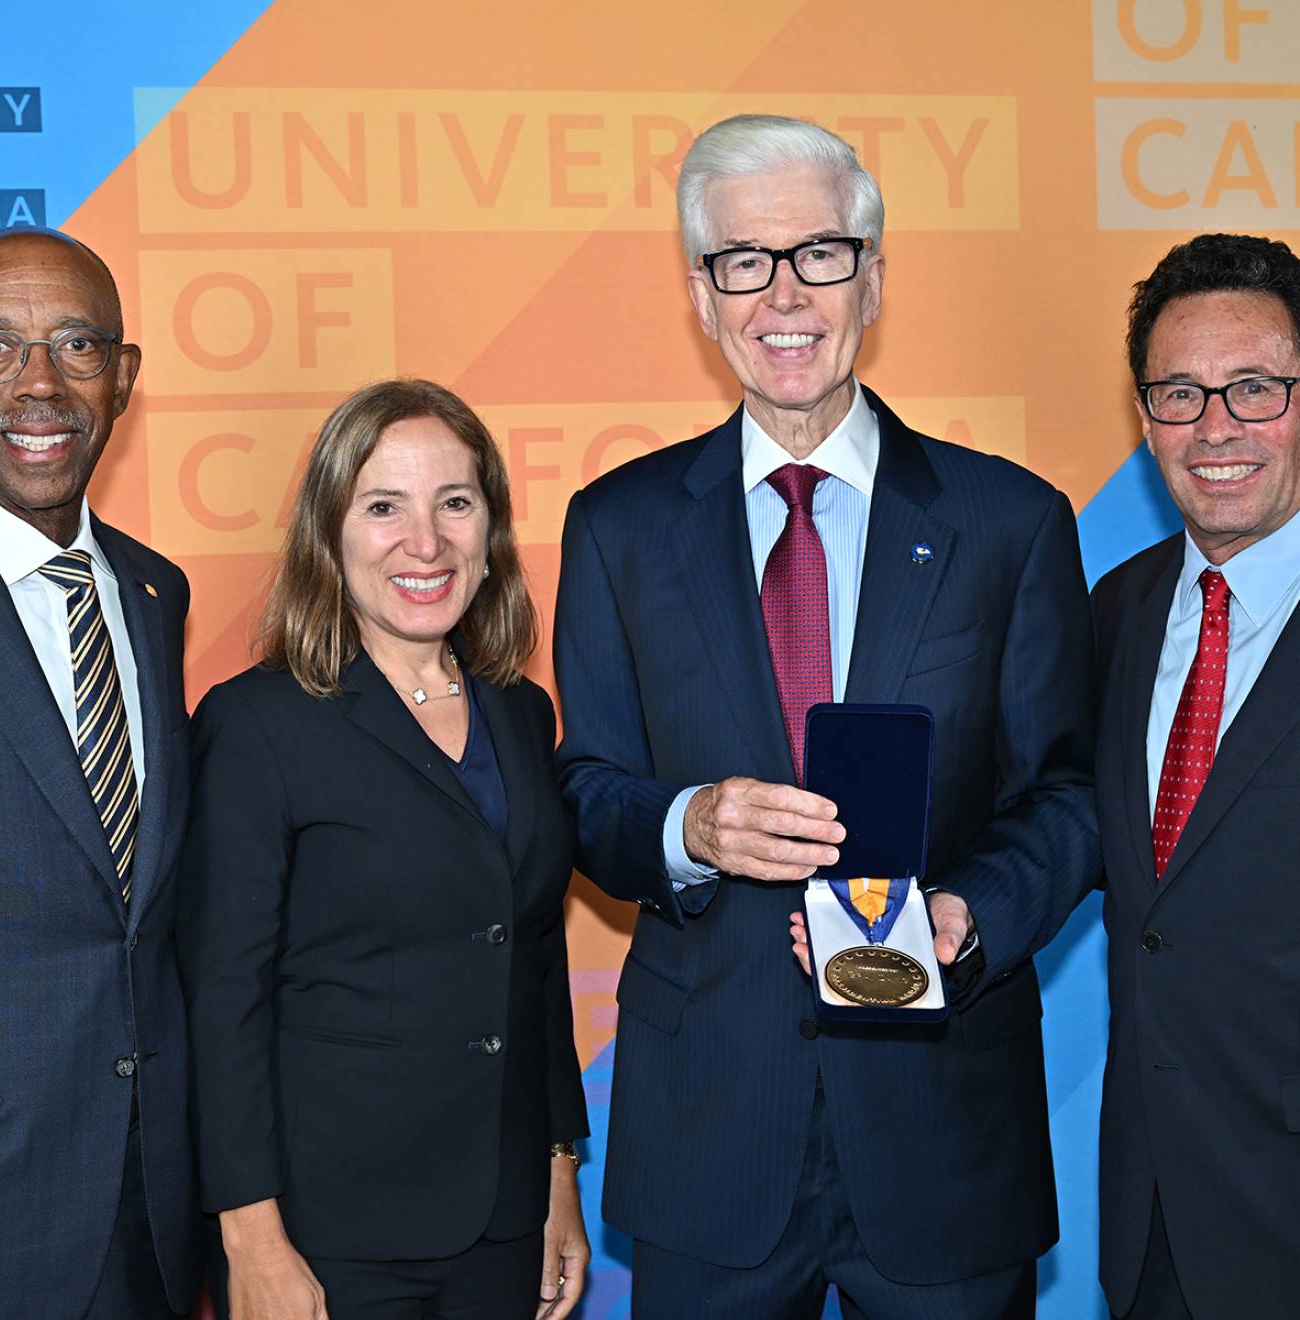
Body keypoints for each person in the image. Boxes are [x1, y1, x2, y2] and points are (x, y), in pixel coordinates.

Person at [553, 113, 1100, 1318]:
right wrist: (690, 825)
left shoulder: (1010, 521)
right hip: (713, 1141)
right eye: (743, 260)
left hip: (945, 1136)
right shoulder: (618, 527)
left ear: (876, 277)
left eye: (821, 253)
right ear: (703, 296)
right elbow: (586, 794)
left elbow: (1066, 794)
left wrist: (970, 915)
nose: (783, 294)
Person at [178, 378, 589, 1320]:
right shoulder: (257, 725)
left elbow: (531, 953)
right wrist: (250, 1237)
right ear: (331, 535)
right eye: (383, 506)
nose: (425, 541)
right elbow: (220, 995)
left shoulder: (522, 713)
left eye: (455, 502)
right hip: (326, 1234)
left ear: (491, 532)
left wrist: (559, 1168)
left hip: (502, 1218)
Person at [0, 228, 201, 1318]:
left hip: (152, 1209)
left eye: (76, 345)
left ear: (124, 378)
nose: (37, 385)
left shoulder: (156, 597)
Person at [1092, 233, 1300, 1320]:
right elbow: (1072, 830)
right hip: (1154, 1213)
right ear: (1143, 418)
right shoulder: (1114, 612)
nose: (1216, 427)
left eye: (1255, 388)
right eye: (1179, 393)